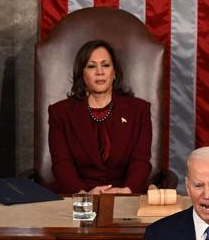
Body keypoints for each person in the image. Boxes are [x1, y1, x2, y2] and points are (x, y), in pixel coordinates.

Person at [47, 40, 152, 194]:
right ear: (81, 74)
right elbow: (62, 164)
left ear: (114, 72)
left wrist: (127, 191)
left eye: (106, 65)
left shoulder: (139, 110)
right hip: (77, 196)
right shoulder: (60, 113)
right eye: (91, 66)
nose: (100, 72)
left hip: (126, 194)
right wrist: (83, 195)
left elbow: (141, 161)